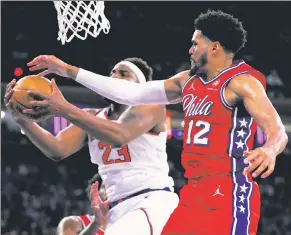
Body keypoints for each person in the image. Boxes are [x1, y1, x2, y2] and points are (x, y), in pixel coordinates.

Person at [26, 9, 288, 235]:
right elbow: (130, 93)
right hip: (194, 190)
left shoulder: (241, 82)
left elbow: (277, 130)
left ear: (215, 47)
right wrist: (68, 70)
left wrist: (269, 148)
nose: (190, 49)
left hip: (228, 188)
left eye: (195, 44)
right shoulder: (187, 81)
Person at [5, 57, 179, 235]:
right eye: (113, 72)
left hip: (151, 201)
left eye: (124, 74)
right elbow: (57, 149)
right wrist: (22, 121)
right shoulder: (93, 116)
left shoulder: (152, 105)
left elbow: (119, 135)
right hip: (115, 210)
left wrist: (64, 108)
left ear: (139, 86)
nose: (114, 76)